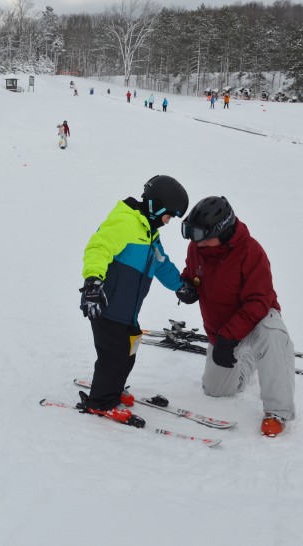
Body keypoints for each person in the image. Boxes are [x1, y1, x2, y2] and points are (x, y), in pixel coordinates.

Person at [177, 196, 296, 437]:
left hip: (256, 321)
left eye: (201, 236)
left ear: (221, 230)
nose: (196, 243)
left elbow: (258, 302)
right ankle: (248, 358)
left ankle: (278, 411)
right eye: (193, 235)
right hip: (220, 328)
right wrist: (187, 285)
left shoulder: (251, 252)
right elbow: (192, 272)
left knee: (272, 337)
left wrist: (229, 338)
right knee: (216, 390)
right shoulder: (198, 247)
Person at [78, 175, 191, 424]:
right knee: (114, 356)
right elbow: (99, 247)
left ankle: (114, 388)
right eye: (169, 215)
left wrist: (180, 286)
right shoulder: (126, 221)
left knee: (128, 351)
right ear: (157, 206)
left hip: (127, 311)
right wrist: (93, 281)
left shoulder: (150, 232)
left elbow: (161, 262)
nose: (168, 221)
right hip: (106, 305)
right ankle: (101, 402)